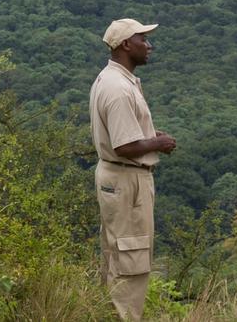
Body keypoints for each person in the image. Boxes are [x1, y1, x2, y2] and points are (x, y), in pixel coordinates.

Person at [89, 17, 177, 321]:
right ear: (126, 45)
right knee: (131, 258)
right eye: (143, 39)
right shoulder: (118, 88)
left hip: (117, 177)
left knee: (118, 257)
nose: (149, 46)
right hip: (127, 181)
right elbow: (124, 147)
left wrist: (150, 138)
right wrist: (158, 143)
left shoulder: (114, 79)